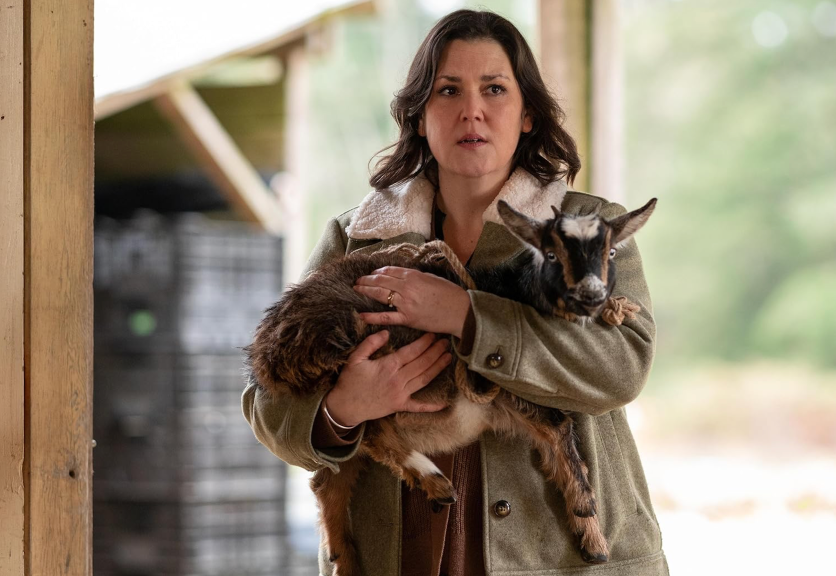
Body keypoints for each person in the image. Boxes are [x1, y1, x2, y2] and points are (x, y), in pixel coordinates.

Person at [242, 9, 669, 576]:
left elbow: (621, 366)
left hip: (564, 560)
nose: (472, 110)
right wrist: (344, 409)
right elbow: (268, 401)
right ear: (420, 117)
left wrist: (469, 317)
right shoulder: (354, 240)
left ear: (526, 115)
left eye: (495, 88)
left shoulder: (593, 228)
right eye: (448, 91)